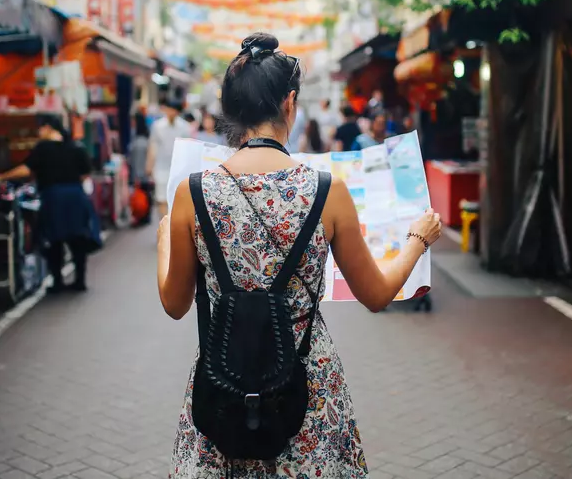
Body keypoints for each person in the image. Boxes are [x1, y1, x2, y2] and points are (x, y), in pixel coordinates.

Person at [156, 32, 442, 477]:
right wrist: (418, 239)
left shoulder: (192, 194)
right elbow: (377, 293)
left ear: (230, 111)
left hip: (223, 384)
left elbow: (175, 304)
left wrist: (162, 245)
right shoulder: (328, 192)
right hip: (306, 391)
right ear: (289, 104)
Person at [0, 114, 101, 293]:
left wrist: (1, 177)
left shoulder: (43, 148)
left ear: (49, 127)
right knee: (78, 240)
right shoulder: (75, 146)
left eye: (40, 128)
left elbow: (26, 169)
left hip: (54, 198)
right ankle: (80, 281)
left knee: (54, 240)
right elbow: (85, 173)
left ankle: (57, 281)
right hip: (76, 197)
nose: (39, 132)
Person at [147, 99, 193, 218]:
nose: (170, 112)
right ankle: (165, 223)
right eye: (168, 109)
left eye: (173, 110)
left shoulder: (185, 127)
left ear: (177, 112)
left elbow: (188, 148)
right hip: (161, 167)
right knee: (161, 197)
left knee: (176, 199)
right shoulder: (157, 126)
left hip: (179, 169)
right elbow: (153, 146)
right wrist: (149, 166)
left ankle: (172, 225)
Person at [129, 114, 153, 225]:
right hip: (146, 175)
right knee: (146, 197)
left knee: (141, 198)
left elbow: (138, 161)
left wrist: (138, 176)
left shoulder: (138, 142)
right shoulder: (145, 140)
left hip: (141, 176)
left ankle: (142, 217)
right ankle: (145, 217)